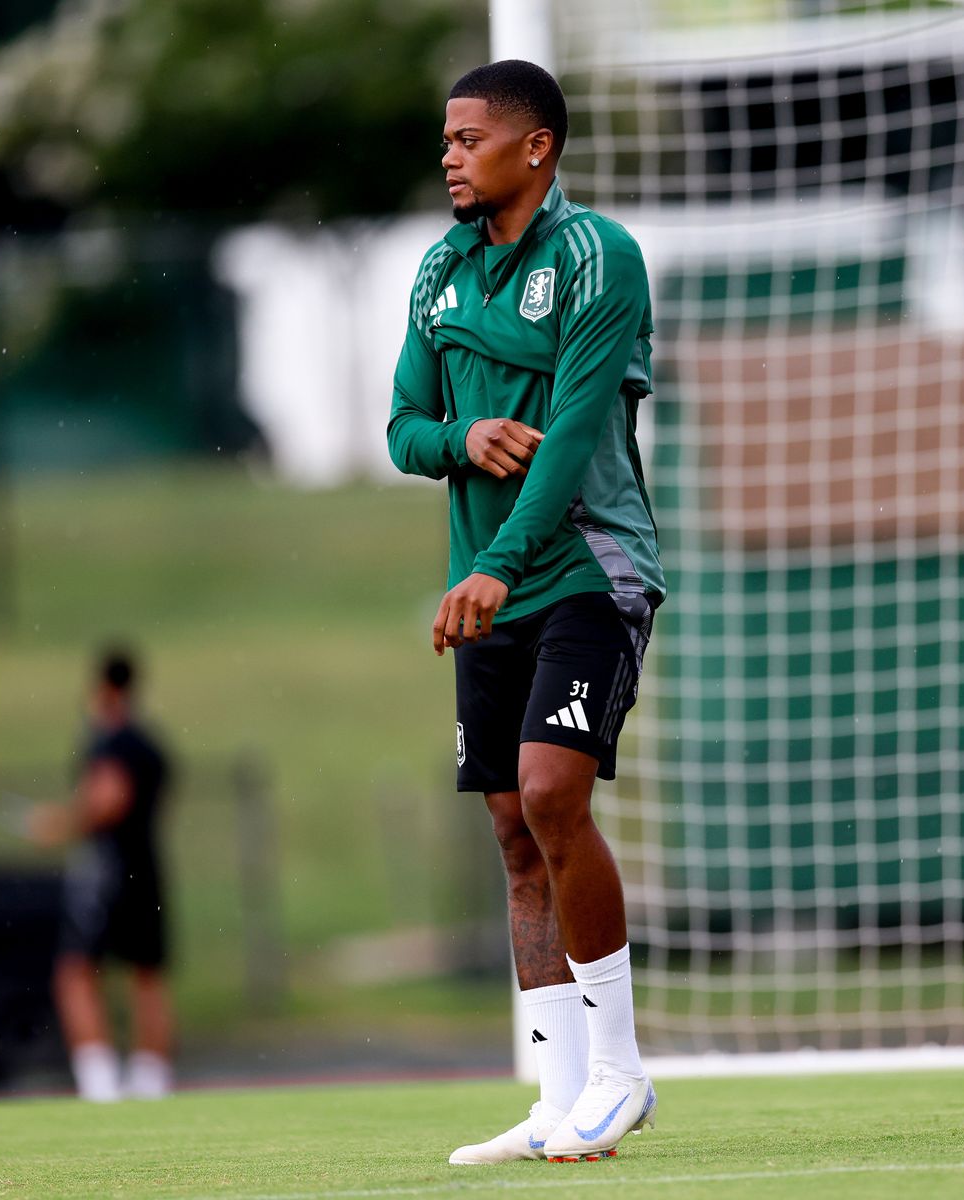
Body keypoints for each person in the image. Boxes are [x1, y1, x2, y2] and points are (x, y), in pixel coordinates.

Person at [387, 60, 665, 1164]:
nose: (450, 155)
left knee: (554, 793)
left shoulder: (601, 257)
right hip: (487, 584)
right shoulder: (438, 272)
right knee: (511, 831)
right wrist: (460, 440)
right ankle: (558, 1099)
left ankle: (623, 1072)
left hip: (587, 571)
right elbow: (404, 426)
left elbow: (575, 441)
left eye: (469, 138)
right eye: (446, 139)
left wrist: (498, 564)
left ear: (535, 147)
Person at [29, 646, 175, 1102]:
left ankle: (99, 1081)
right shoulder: (151, 744)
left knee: (76, 970)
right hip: (148, 865)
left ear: (105, 688)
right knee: (147, 973)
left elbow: (109, 799)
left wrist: (62, 823)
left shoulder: (112, 742)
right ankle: (151, 1077)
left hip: (110, 871)